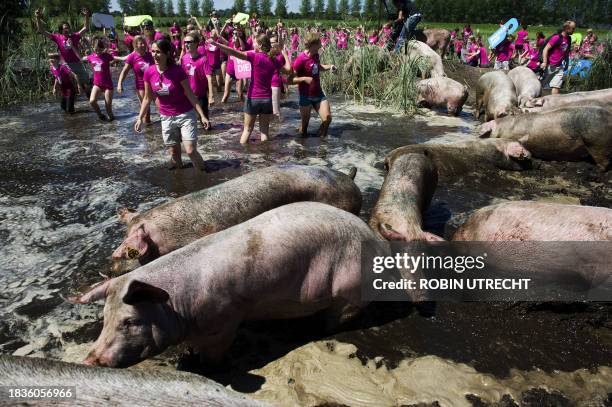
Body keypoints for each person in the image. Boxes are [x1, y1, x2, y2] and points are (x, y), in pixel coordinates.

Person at [136, 39, 210, 170]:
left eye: (158, 52)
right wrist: (140, 118)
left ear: (167, 53)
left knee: (191, 150)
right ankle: (180, 185)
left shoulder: (177, 71)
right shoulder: (149, 72)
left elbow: (190, 94)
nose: (154, 55)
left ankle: (205, 177)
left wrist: (202, 115)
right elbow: (147, 98)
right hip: (166, 117)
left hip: (185, 114)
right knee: (175, 155)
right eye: (152, 51)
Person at [209, 34, 290, 144]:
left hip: (253, 98)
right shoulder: (274, 60)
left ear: (260, 45)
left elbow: (233, 52)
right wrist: (285, 54)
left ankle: (245, 158)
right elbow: (289, 70)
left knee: (247, 130)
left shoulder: (254, 56)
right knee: (264, 133)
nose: (253, 44)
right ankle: (265, 158)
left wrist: (216, 44)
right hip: (267, 100)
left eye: (255, 43)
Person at [34, 8, 91, 96]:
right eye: (65, 28)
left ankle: (90, 102)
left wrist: (86, 16)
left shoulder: (74, 36)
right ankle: (72, 103)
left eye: (68, 28)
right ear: (61, 30)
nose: (67, 30)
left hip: (78, 63)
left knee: (86, 86)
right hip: (66, 65)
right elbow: (42, 31)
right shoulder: (57, 38)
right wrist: (37, 18)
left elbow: (85, 28)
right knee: (70, 87)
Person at [293, 33, 336, 139]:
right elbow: (290, 79)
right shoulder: (300, 60)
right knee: (304, 131)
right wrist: (304, 79)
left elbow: (318, 67)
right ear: (312, 44)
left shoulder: (316, 55)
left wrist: (330, 67)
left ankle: (322, 146)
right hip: (305, 95)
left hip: (318, 93)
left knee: (327, 118)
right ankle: (302, 150)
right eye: (319, 44)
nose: (321, 46)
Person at [118, 35, 155, 122]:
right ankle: (148, 131)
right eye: (141, 43)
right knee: (147, 111)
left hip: (153, 85)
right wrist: (119, 83)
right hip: (141, 86)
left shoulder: (151, 55)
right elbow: (124, 71)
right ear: (135, 45)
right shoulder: (132, 57)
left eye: (144, 43)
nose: (143, 45)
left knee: (160, 106)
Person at [83, 37, 119, 121]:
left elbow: (119, 58)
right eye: (96, 49)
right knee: (92, 101)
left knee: (108, 109)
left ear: (102, 48)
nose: (98, 51)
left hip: (107, 85)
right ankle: (100, 115)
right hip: (97, 84)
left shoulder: (106, 56)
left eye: (100, 49)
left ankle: (113, 125)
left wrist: (131, 55)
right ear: (93, 48)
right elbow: (79, 58)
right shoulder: (91, 57)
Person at [181, 32, 213, 121]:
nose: (186, 44)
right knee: (188, 121)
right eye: (185, 42)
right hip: (187, 95)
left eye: (189, 42)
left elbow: (209, 78)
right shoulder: (184, 58)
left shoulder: (203, 59)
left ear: (196, 44)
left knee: (205, 121)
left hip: (200, 96)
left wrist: (211, 96)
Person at [540, 21, 575, 95]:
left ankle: (553, 102)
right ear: (567, 28)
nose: (574, 30)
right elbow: (545, 49)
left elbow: (566, 51)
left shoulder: (569, 39)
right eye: (573, 29)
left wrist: (567, 62)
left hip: (559, 67)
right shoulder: (556, 38)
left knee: (556, 86)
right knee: (541, 85)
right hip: (549, 66)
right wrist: (545, 62)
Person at [270, 35, 286, 121]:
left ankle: (280, 129)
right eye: (270, 42)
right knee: (269, 111)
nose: (271, 44)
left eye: (273, 42)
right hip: (267, 82)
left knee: (276, 111)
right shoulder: (268, 54)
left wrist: (279, 33)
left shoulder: (280, 55)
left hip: (275, 83)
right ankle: (272, 128)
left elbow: (281, 45)